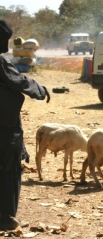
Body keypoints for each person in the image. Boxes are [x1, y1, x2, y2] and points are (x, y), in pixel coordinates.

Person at [0, 20, 50, 230]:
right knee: (9, 168)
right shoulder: (1, 64)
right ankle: (5, 218)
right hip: (5, 127)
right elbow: (17, 80)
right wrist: (39, 89)